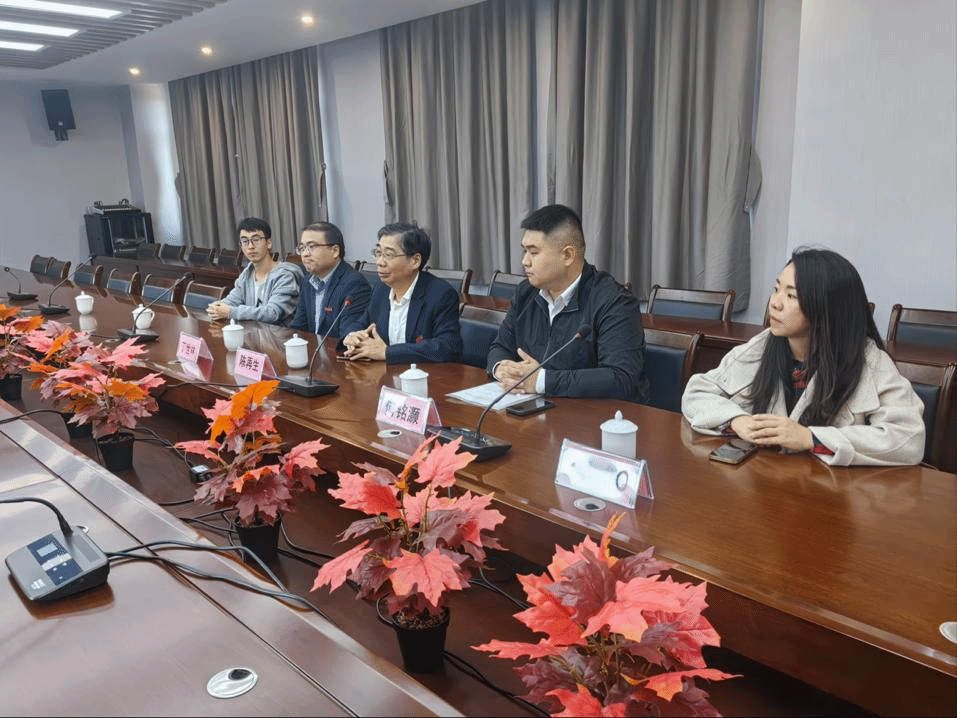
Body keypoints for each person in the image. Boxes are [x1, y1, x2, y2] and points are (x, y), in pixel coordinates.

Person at [681, 247, 925, 466]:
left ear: (827, 307)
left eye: (791, 296)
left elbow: (909, 438)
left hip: (834, 494)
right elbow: (697, 392)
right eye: (776, 289)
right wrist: (736, 420)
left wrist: (810, 438)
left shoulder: (869, 361)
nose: (774, 303)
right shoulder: (763, 345)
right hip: (768, 484)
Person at [486, 204, 648, 402]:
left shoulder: (615, 302)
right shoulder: (525, 293)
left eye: (534, 253)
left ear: (568, 255)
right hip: (532, 408)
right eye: (524, 251)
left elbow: (621, 378)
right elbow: (500, 347)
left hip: (592, 415)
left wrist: (541, 381)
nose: (525, 262)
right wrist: (501, 369)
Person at [341, 222, 462, 364]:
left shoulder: (441, 295)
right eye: (378, 253)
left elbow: (447, 347)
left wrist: (387, 352)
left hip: (423, 375)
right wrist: (352, 336)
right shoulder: (381, 289)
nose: (380, 262)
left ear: (415, 261)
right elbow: (362, 322)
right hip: (384, 373)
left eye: (388, 255)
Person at [207, 217, 302, 325]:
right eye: (245, 241)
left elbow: (273, 313)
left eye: (256, 240)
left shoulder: (285, 276)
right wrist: (218, 307)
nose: (250, 246)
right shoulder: (247, 274)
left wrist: (231, 312)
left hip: (281, 334)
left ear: (268, 243)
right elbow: (232, 300)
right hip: (254, 333)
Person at [289, 222, 370, 342]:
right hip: (313, 351)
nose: (305, 254)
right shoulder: (308, 282)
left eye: (312, 247)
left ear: (335, 251)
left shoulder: (354, 285)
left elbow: (347, 338)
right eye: (302, 248)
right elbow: (299, 328)